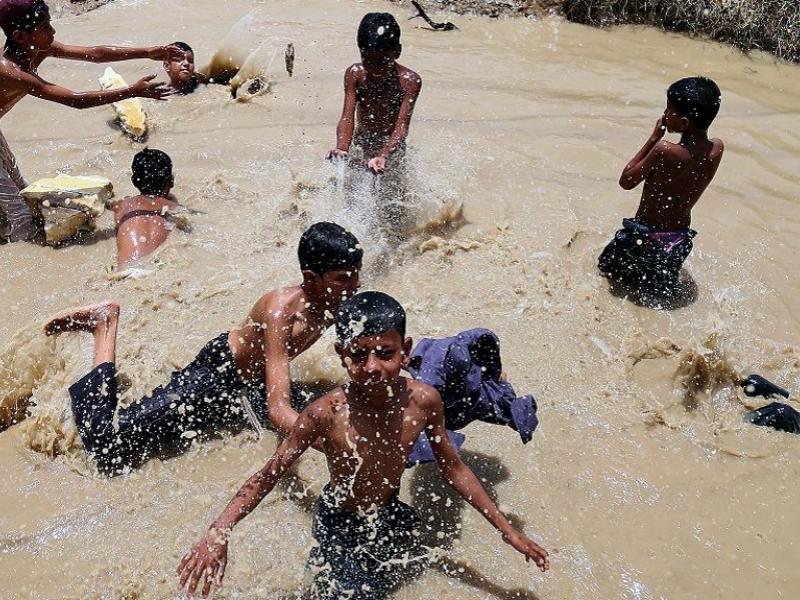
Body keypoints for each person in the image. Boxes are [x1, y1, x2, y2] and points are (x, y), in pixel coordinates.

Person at [178, 291, 549, 600]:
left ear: (404, 351)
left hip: (388, 513)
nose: (371, 367)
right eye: (358, 354)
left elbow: (453, 468)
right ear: (342, 353)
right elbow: (269, 474)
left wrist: (506, 529)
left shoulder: (423, 402)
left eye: (384, 353)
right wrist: (218, 532)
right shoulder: (325, 414)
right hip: (339, 519)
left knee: (401, 571)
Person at [42, 222, 362, 475]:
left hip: (253, 383)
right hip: (216, 374)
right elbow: (279, 410)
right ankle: (104, 323)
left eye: (356, 275)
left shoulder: (337, 299)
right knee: (106, 445)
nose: (355, 285)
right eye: (344, 278)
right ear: (311, 277)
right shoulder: (281, 312)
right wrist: (335, 446)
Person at [0, 0, 183, 242]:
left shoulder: (36, 48)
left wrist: (148, 52)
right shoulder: (10, 71)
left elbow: (95, 54)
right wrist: (131, 91)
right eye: (45, 27)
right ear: (20, 36)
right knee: (21, 218)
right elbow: (76, 101)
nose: (53, 31)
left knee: (21, 191)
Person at [598, 77, 725, 301]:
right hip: (677, 241)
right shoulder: (717, 149)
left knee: (604, 276)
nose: (665, 115)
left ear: (684, 123)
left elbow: (626, 180)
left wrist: (653, 138)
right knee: (656, 295)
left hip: (642, 239)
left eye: (669, 110)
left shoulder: (665, 150)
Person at [405, 327, 539, 464]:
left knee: (506, 407)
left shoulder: (464, 349)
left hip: (468, 399)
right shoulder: (432, 371)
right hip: (460, 402)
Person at [327, 12, 421, 175]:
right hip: (361, 143)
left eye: (381, 62)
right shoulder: (355, 74)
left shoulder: (410, 82)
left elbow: (401, 128)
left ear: (397, 52)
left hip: (392, 148)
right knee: (352, 192)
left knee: (392, 195)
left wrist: (383, 155)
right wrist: (341, 148)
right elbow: (347, 117)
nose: (374, 68)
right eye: (367, 60)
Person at [114, 148, 184, 270]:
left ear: (134, 181)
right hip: (155, 270)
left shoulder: (122, 206)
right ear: (171, 181)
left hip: (125, 272)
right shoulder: (174, 208)